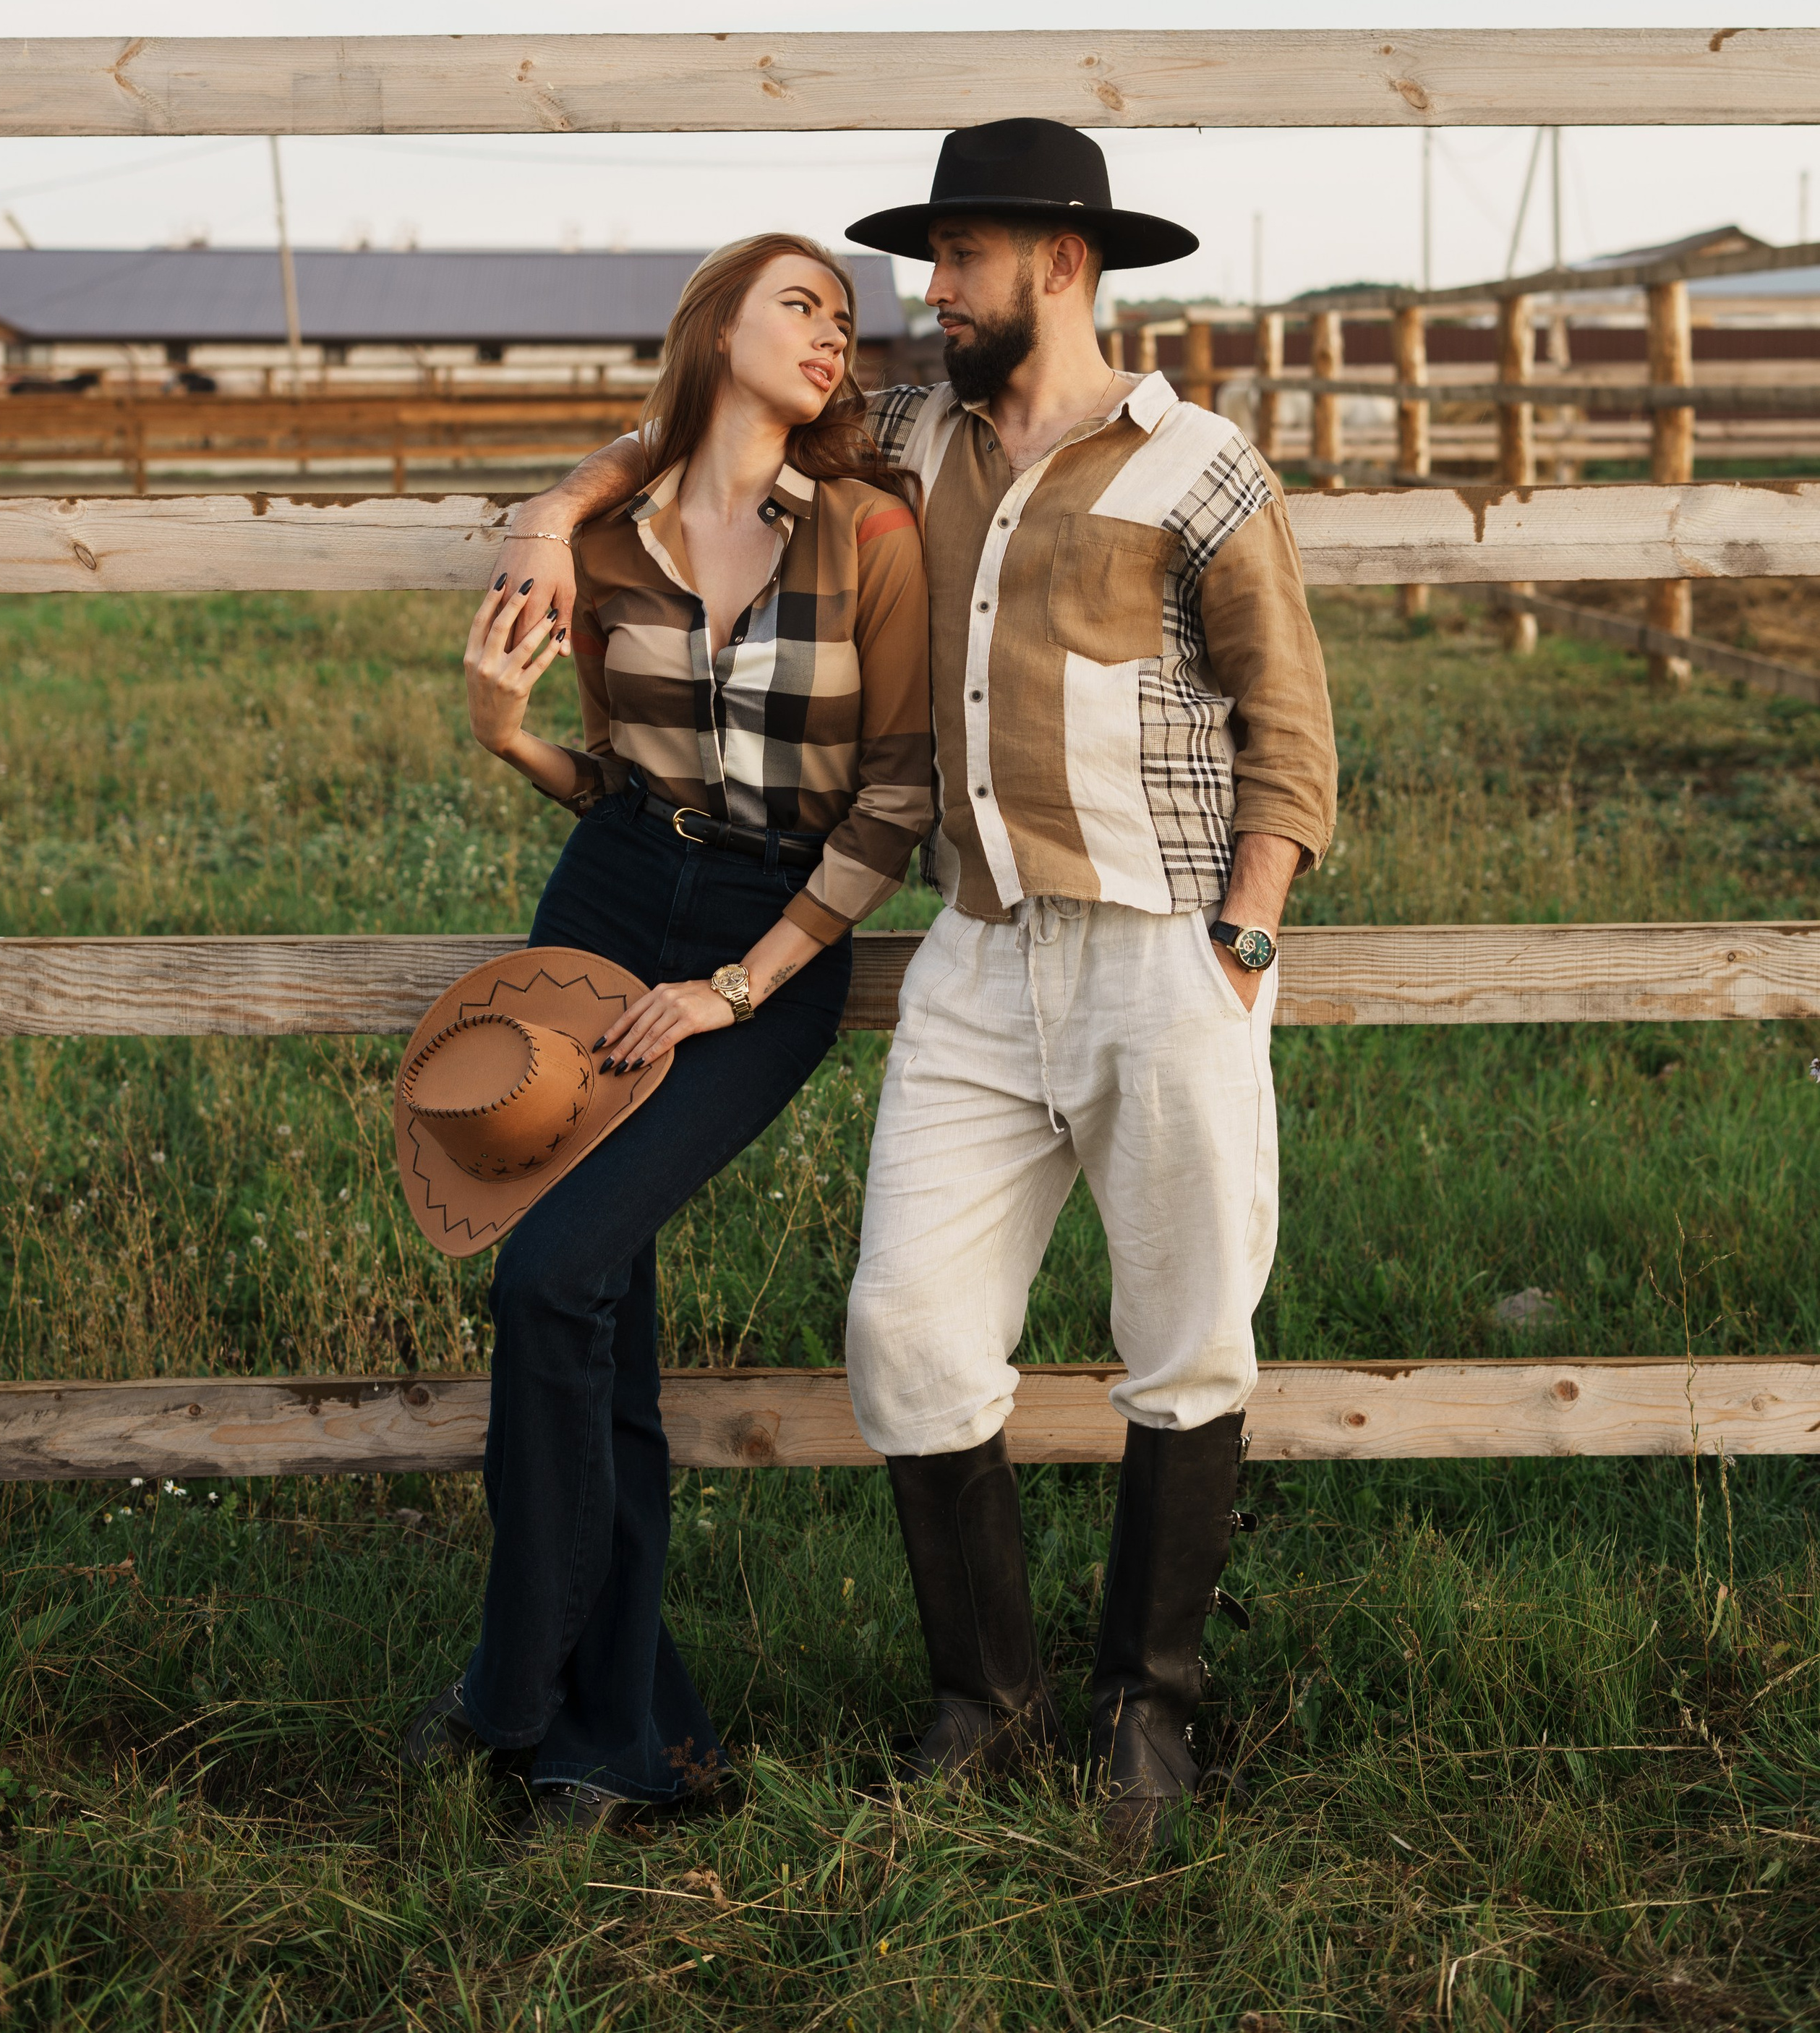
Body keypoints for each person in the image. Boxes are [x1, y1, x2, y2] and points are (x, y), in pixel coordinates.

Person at [492, 122, 1338, 1847]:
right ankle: (986, 1701)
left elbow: (1290, 724)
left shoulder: (1201, 467)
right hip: (976, 953)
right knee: (904, 1329)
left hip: (1162, 943)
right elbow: (697, 427)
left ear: (1062, 265)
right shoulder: (915, 433)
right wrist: (555, 506)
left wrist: (1241, 938)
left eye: (958, 258)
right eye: (927, 259)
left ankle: (1145, 1715)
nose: (926, 289)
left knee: (1186, 1333)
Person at [406, 231, 931, 1844]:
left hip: (769, 935)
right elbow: (614, 782)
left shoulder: (868, 530)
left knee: (549, 1277)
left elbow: (897, 793)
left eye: (845, 319)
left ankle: (515, 1691)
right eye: (799, 305)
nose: (833, 335)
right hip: (607, 906)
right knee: (596, 1319)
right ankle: (630, 1737)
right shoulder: (606, 544)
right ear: (714, 329)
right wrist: (506, 739)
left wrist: (743, 986)